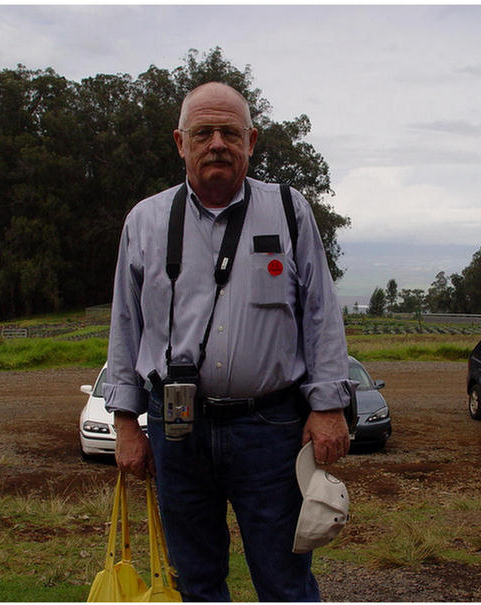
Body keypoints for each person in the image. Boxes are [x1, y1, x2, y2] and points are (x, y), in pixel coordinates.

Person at [103, 81, 354, 602]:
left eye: (229, 132)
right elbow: (126, 327)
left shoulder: (288, 211)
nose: (217, 142)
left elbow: (321, 313)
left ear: (252, 140)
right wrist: (126, 423)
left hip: (270, 429)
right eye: (203, 132)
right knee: (194, 580)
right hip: (176, 434)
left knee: (285, 580)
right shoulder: (145, 221)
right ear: (180, 142)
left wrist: (328, 406)